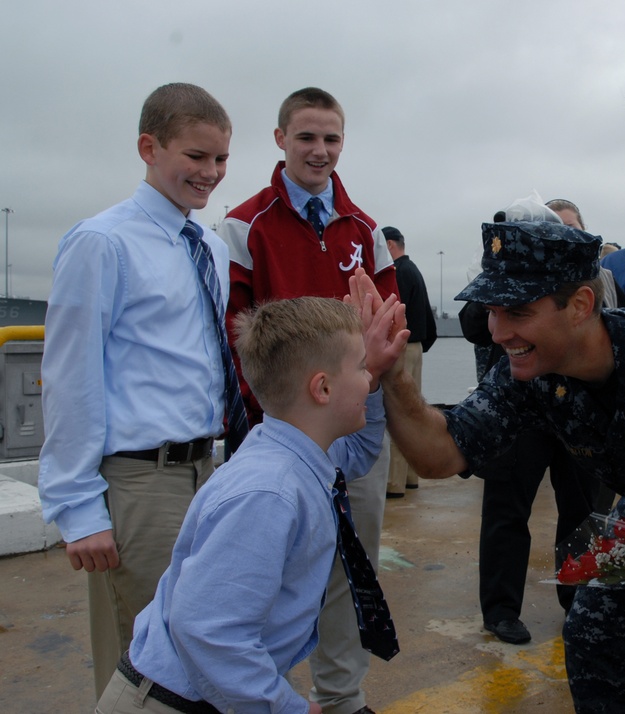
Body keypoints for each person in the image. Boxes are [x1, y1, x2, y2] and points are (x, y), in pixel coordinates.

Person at [353, 219, 625, 713]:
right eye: (491, 311)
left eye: (518, 311)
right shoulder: (528, 374)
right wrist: (391, 375)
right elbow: (441, 453)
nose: (498, 331)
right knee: (593, 642)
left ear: (581, 305)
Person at [95, 296, 408, 714]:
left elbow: (361, 450)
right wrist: (284, 707)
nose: (370, 378)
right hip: (171, 703)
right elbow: (209, 632)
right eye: (361, 368)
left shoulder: (294, 450)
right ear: (323, 388)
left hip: (208, 694)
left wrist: (379, 371)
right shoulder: (268, 493)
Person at [37, 83, 241, 695]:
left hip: (206, 470)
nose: (210, 173)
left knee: (203, 645)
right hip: (140, 482)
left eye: (221, 159)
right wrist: (78, 509)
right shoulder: (103, 243)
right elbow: (71, 377)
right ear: (149, 148)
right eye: (196, 156)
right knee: (145, 663)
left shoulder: (207, 245)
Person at [218, 86, 398, 714]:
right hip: (282, 434)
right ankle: (267, 700)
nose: (320, 152)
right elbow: (234, 337)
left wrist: (372, 353)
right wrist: (273, 422)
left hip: (354, 418)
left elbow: (387, 326)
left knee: (351, 571)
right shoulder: (244, 226)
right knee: (274, 574)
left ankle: (342, 699)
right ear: (280, 140)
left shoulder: (366, 231)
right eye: (306, 138)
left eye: (331, 139)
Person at [465, 198, 617, 646]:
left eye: (572, 231)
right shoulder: (506, 278)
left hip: (580, 411)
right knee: (506, 510)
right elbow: (477, 325)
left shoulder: (598, 281)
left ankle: (580, 603)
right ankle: (500, 610)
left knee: (585, 512)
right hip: (520, 410)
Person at [382, 226, 436, 498]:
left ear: (390, 245)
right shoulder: (413, 270)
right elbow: (427, 315)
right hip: (414, 346)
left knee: (396, 410)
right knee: (412, 408)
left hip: (401, 346)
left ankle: (395, 483)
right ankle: (411, 477)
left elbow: (391, 312)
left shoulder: (398, 273)